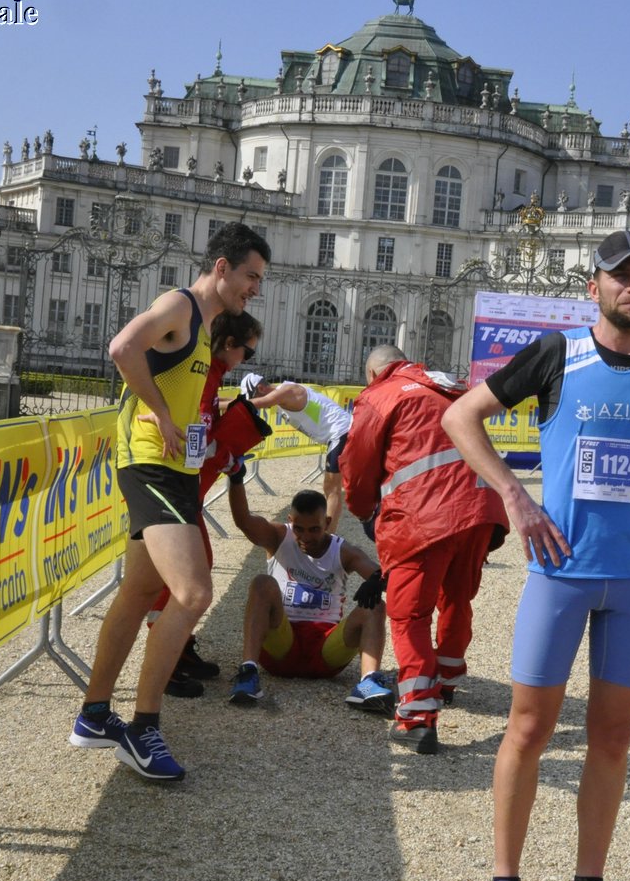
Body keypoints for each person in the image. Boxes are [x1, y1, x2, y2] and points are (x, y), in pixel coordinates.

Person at [441, 230, 630, 881]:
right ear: (593, 287)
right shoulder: (559, 353)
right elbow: (459, 416)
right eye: (620, 275)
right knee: (528, 730)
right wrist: (513, 494)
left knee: (614, 736)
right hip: (559, 574)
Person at [75, 222, 269, 783]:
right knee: (194, 591)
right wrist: (160, 412)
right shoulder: (180, 306)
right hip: (150, 463)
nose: (254, 288)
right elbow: (121, 347)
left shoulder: (207, 326)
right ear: (222, 268)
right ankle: (144, 728)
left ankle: (93, 715)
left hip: (174, 469)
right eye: (251, 276)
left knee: (139, 592)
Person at [341, 346, 509, 754]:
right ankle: (446, 680)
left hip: (425, 515)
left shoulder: (382, 394)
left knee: (409, 612)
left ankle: (417, 713)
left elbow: (359, 467)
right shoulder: (450, 385)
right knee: (457, 597)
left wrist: (363, 510)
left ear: (372, 372)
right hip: (481, 509)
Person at [140, 310, 266, 699]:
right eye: (247, 352)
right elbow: (197, 437)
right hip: (175, 484)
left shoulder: (211, 373)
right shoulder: (205, 374)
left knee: (198, 564)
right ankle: (167, 654)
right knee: (181, 573)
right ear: (230, 344)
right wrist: (228, 456)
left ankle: (179, 643)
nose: (246, 359)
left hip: (182, 484)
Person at [223, 484, 391, 709]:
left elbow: (387, 578)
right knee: (262, 583)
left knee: (375, 605)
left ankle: (368, 682)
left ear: (327, 524)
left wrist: (377, 580)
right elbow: (244, 521)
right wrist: (236, 479)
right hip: (282, 645)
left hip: (326, 651)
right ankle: (248, 672)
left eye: (314, 529)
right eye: (299, 528)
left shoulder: (343, 551)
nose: (305, 537)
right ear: (290, 520)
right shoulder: (277, 536)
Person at [238, 375, 355, 532]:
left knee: (332, 488)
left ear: (260, 388)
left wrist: (220, 403)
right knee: (334, 488)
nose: (257, 407)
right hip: (342, 433)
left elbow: (256, 403)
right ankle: (328, 535)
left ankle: (328, 538)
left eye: (252, 396)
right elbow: (249, 403)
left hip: (342, 432)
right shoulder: (283, 393)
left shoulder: (286, 391)